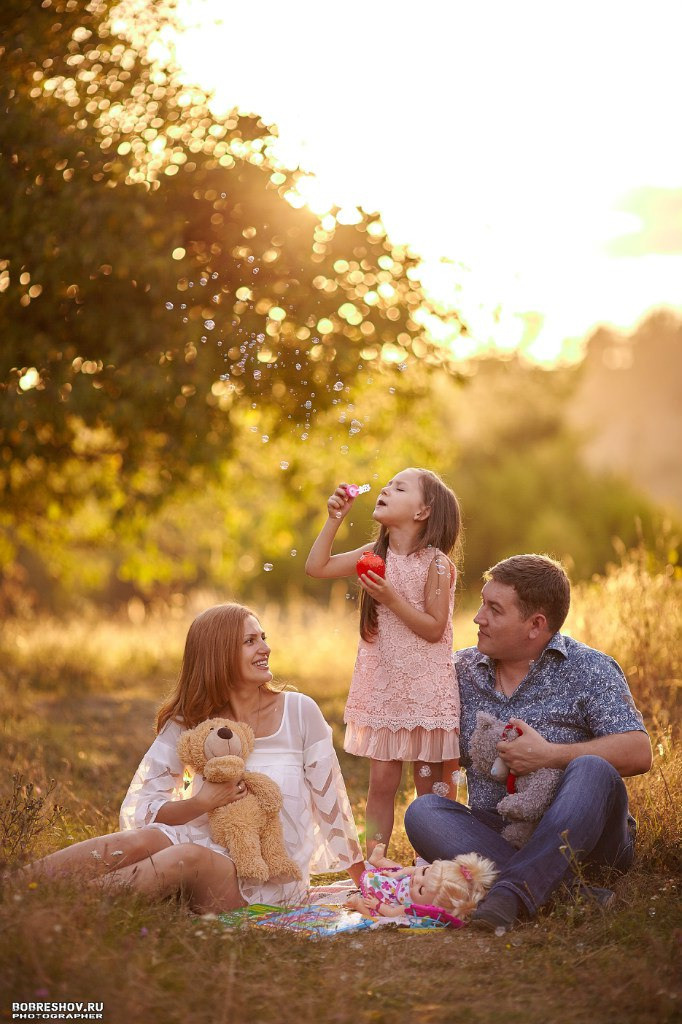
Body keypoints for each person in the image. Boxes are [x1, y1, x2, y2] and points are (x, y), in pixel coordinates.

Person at [27, 603, 364, 912]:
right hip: (204, 840)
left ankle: (61, 910)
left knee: (186, 857)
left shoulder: (300, 712)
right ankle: (19, 884)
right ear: (219, 655)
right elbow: (144, 808)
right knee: (143, 839)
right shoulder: (192, 719)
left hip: (265, 876)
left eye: (263, 637)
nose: (265, 648)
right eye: (250, 641)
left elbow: (331, 804)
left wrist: (364, 880)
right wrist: (202, 802)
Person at [404, 554, 652, 932]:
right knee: (423, 812)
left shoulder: (590, 669)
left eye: (495, 609)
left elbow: (639, 751)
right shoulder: (458, 671)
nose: (478, 618)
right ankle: (562, 893)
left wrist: (549, 755)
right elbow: (430, 753)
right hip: (497, 833)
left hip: (588, 841)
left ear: (535, 625)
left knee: (592, 768)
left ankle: (511, 890)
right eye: (482, 603)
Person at [305, 467, 462, 855]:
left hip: (426, 693)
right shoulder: (373, 555)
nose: (386, 489)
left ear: (423, 511)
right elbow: (317, 567)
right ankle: (375, 865)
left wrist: (391, 597)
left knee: (431, 792)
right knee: (381, 785)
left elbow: (434, 628)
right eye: (388, 484)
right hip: (386, 689)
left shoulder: (436, 563)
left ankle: (433, 864)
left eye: (399, 487)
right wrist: (334, 519)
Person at [345, 843, 497, 920]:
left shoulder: (411, 907)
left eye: (421, 890)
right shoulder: (415, 877)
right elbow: (411, 871)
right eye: (424, 871)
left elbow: (391, 913)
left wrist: (377, 905)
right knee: (397, 867)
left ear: (428, 906)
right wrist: (397, 873)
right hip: (396, 881)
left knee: (377, 916)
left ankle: (358, 904)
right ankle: (378, 860)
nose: (417, 879)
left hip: (388, 899)